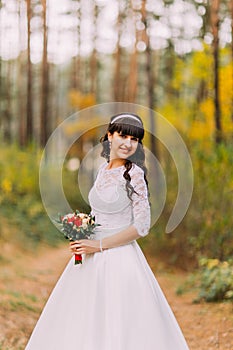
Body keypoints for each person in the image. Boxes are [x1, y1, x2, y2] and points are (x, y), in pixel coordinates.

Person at [25, 113, 189, 349]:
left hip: (119, 258)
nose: (128, 143)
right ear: (109, 136)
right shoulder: (102, 170)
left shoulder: (135, 174)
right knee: (83, 317)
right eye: (122, 135)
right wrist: (82, 230)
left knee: (119, 320)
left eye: (134, 139)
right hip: (91, 255)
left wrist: (99, 245)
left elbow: (142, 226)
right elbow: (100, 212)